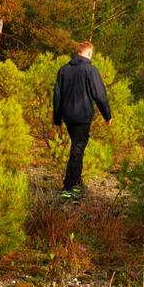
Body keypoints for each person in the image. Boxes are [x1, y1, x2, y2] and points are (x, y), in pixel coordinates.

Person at [52, 40, 112, 201]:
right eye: (91, 54)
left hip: (68, 117)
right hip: (82, 116)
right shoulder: (90, 70)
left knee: (76, 149)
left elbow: (57, 96)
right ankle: (71, 187)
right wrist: (108, 115)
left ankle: (72, 183)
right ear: (88, 53)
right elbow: (100, 95)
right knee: (77, 151)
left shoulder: (63, 70)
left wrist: (57, 119)